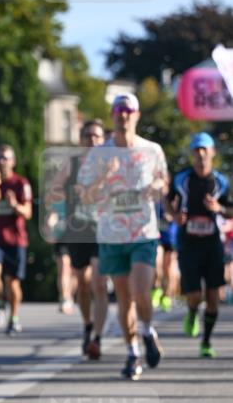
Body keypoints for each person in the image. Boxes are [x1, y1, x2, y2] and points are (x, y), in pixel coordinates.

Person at [78, 93, 167, 380]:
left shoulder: (152, 149)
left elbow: (163, 182)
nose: (123, 114)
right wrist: (103, 177)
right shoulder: (99, 154)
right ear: (112, 115)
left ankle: (147, 330)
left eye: (128, 110)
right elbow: (86, 197)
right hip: (111, 235)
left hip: (142, 232)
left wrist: (157, 185)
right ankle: (133, 353)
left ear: (137, 115)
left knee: (141, 291)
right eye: (118, 109)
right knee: (125, 299)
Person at [45, 119, 108, 359]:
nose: (93, 140)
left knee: (99, 283)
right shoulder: (72, 164)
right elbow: (53, 191)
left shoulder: (109, 164)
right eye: (88, 136)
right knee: (82, 282)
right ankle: (88, 325)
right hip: (78, 230)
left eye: (97, 136)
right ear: (81, 140)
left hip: (103, 230)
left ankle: (98, 339)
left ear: (103, 141)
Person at [168, 132, 232, 358]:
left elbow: (230, 209)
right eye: (197, 150)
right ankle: (193, 312)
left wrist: (219, 210)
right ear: (192, 154)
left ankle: (206, 341)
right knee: (194, 295)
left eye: (205, 149)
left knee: (214, 296)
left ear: (212, 152)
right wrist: (174, 216)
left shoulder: (221, 182)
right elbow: (167, 203)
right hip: (188, 243)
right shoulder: (181, 179)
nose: (201, 154)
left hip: (213, 243)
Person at [0, 145, 32, 334]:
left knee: (13, 283)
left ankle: (14, 317)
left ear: (13, 162)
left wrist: (15, 205)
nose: (2, 161)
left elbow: (28, 213)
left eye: (6, 158)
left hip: (15, 241)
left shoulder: (20, 183)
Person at [152, 201, 179, 312]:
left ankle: (167, 295)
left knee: (168, 270)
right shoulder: (154, 195)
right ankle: (156, 289)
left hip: (171, 238)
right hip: (157, 236)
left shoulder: (174, 193)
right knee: (157, 265)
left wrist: (172, 214)